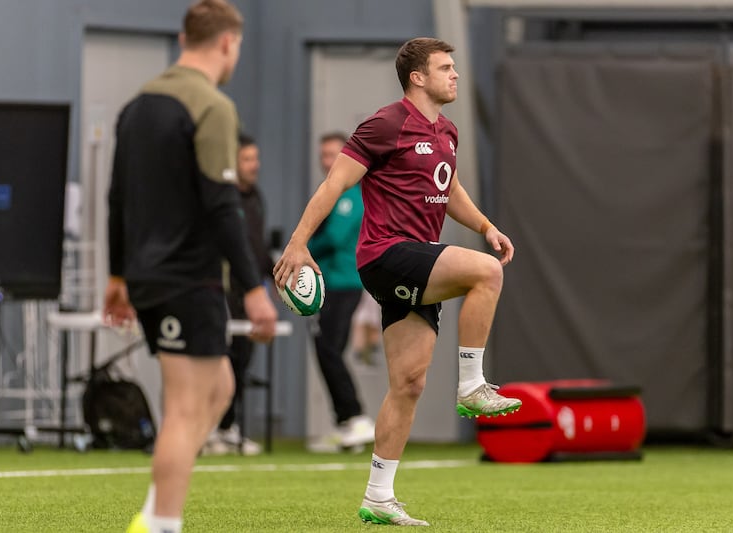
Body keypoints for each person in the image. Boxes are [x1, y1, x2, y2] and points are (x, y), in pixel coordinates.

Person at [273, 37, 521, 527]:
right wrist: (299, 242)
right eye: (444, 68)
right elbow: (335, 184)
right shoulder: (386, 124)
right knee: (487, 272)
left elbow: (447, 190)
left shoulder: (447, 131)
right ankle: (472, 384)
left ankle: (379, 497)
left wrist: (486, 226)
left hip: (414, 261)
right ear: (417, 77)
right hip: (386, 253)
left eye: (454, 67)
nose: (454, 75)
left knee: (408, 383)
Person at [103, 2, 278, 532]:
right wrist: (252, 287)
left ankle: (154, 514)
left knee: (220, 387)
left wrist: (117, 276)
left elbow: (116, 200)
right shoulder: (212, 106)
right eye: (239, 48)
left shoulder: (136, 105)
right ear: (226, 43)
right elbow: (223, 207)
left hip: (150, 278)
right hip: (188, 279)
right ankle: (162, 524)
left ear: (185, 37)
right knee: (184, 408)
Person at [203, 132, 273, 456]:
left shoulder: (256, 197)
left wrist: (275, 274)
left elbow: (256, 249)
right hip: (223, 289)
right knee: (219, 359)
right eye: (247, 159)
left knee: (242, 360)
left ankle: (228, 428)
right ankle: (208, 429)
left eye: (256, 158)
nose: (254, 165)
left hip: (251, 292)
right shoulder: (224, 199)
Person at [306, 132, 375, 453]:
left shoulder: (351, 195)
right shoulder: (335, 193)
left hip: (343, 283)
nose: (326, 161)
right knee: (327, 349)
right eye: (322, 155)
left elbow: (332, 239)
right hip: (334, 283)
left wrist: (301, 249)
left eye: (332, 154)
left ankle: (356, 417)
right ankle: (346, 424)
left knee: (328, 349)